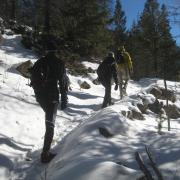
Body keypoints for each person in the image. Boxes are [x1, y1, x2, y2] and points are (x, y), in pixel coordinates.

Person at [29, 51, 68, 163]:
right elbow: (63, 81)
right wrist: (64, 99)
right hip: (52, 97)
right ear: (55, 51)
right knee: (50, 124)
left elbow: (32, 76)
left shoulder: (40, 61)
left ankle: (46, 148)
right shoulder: (59, 63)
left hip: (40, 96)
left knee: (49, 120)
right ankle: (45, 154)